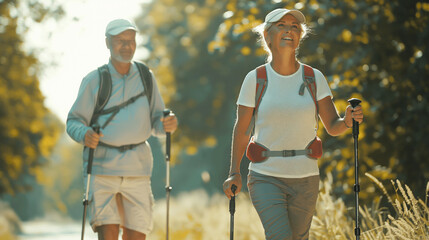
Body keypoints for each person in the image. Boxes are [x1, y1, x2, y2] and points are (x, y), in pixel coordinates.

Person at [222, 8, 364, 240]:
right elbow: (243, 129)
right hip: (265, 176)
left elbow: (333, 125)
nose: (289, 30)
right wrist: (234, 172)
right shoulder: (256, 79)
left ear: (300, 36)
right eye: (282, 25)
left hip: (306, 178)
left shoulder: (313, 77)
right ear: (267, 36)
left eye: (295, 26)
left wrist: (348, 121)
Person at [67, 19, 178, 240]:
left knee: (137, 235)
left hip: (138, 169)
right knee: (107, 232)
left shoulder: (147, 76)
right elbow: (73, 121)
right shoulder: (94, 80)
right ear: (107, 43)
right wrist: (85, 134)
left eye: (131, 41)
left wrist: (167, 124)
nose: (127, 46)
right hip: (102, 169)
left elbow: (157, 121)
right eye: (120, 41)